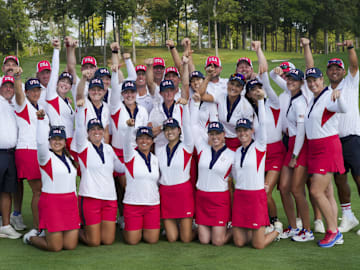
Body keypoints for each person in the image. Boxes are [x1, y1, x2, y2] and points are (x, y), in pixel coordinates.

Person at [304, 39, 360, 234]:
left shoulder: (350, 82)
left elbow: (354, 64)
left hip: (352, 138)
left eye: (338, 68)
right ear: (326, 73)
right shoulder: (324, 92)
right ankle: (348, 215)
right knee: (339, 181)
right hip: (335, 140)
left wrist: (350, 47)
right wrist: (307, 47)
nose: (334, 71)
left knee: (359, 178)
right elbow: (310, 73)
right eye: (331, 68)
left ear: (343, 71)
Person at [231, 83, 282, 249]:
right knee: (239, 242)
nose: (242, 133)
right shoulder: (237, 152)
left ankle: (276, 231)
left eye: (246, 130)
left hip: (255, 197)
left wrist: (260, 101)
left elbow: (264, 126)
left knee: (258, 245)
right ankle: (253, 230)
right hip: (240, 197)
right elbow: (236, 175)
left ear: (252, 131)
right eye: (239, 131)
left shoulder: (260, 145)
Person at [23, 110, 79, 251]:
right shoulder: (45, 157)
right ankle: (31, 237)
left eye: (60, 139)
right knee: (55, 247)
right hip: (52, 204)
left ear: (65, 141)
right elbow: (40, 142)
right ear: (49, 141)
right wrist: (41, 120)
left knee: (70, 246)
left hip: (70, 203)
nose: (57, 142)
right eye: (54, 139)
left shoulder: (70, 158)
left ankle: (45, 233)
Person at [304, 67, 347, 247]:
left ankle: (333, 231)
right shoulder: (314, 99)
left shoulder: (329, 96)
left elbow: (343, 108)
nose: (313, 83)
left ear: (322, 79)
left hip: (327, 147)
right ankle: (334, 230)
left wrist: (339, 96)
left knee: (315, 191)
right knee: (327, 192)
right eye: (310, 81)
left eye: (316, 80)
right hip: (315, 148)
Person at [75, 100, 124, 246]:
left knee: (108, 241)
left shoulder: (108, 149)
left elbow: (120, 168)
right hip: (91, 197)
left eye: (99, 129)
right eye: (93, 129)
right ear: (88, 133)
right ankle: (72, 229)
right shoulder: (83, 147)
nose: (97, 132)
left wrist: (137, 160)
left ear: (103, 132)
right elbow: (78, 127)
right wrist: (79, 110)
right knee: (94, 242)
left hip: (109, 198)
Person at [276, 68, 314, 241]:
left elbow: (301, 131)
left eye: (294, 80)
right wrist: (275, 72)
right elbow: (272, 77)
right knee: (283, 188)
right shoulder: (291, 94)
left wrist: (295, 155)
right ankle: (292, 226)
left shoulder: (300, 102)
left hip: (300, 147)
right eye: (288, 79)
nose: (290, 82)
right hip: (291, 145)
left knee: (297, 190)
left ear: (301, 83)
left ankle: (307, 230)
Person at [191, 94, 233, 246]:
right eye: (212, 134)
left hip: (219, 200)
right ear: (208, 135)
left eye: (218, 134)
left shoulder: (232, 155)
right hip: (202, 198)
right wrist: (195, 104)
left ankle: (236, 229)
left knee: (218, 242)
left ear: (224, 135)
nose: (214, 137)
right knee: (203, 240)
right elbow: (193, 126)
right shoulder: (202, 148)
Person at [245, 76, 285, 230]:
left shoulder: (273, 103)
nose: (257, 91)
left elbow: (267, 84)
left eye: (258, 88)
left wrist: (266, 74)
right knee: (257, 191)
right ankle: (264, 221)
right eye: (253, 90)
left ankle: (274, 222)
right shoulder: (248, 110)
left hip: (275, 152)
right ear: (248, 94)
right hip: (259, 153)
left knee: (265, 190)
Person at [13, 67, 44, 232]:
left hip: (36, 150)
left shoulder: (36, 107)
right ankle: (38, 228)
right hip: (27, 150)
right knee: (38, 190)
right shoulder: (23, 104)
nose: (35, 93)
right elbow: (18, 94)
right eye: (32, 90)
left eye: (37, 90)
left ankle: (42, 225)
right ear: (27, 91)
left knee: (41, 189)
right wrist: (17, 77)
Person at [158, 106, 194, 243]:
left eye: (173, 129)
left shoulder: (187, 146)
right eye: (167, 130)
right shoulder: (160, 150)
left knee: (185, 239)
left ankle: (195, 230)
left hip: (183, 192)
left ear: (179, 130)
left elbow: (188, 125)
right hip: (166, 193)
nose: (170, 132)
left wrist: (185, 107)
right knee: (172, 238)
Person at [122, 124, 160, 245]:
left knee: (152, 240)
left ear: (152, 141)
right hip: (133, 204)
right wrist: (129, 128)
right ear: (136, 140)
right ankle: (129, 228)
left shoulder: (155, 159)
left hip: (152, 204)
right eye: (141, 138)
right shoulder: (130, 155)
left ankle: (141, 228)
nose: (144, 141)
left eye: (148, 138)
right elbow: (126, 143)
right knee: (133, 241)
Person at [198, 72, 254, 151]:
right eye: (232, 84)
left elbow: (249, 131)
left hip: (239, 142)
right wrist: (208, 77)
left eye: (238, 86)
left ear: (242, 89)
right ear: (227, 84)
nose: (233, 87)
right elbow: (201, 95)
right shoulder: (221, 96)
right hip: (220, 140)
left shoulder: (246, 106)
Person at [0, 76, 22, 239]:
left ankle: (6, 225)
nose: (8, 88)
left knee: (7, 191)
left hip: (11, 153)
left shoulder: (15, 104)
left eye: (11, 86)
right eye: (5, 86)